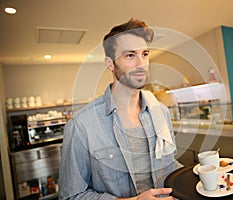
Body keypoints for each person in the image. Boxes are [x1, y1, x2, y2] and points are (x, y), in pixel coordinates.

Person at [58, 18, 182, 200]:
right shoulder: (81, 126)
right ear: (110, 63)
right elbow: (71, 196)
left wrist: (200, 173)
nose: (141, 64)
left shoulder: (160, 112)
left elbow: (169, 165)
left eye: (145, 54)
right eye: (130, 55)